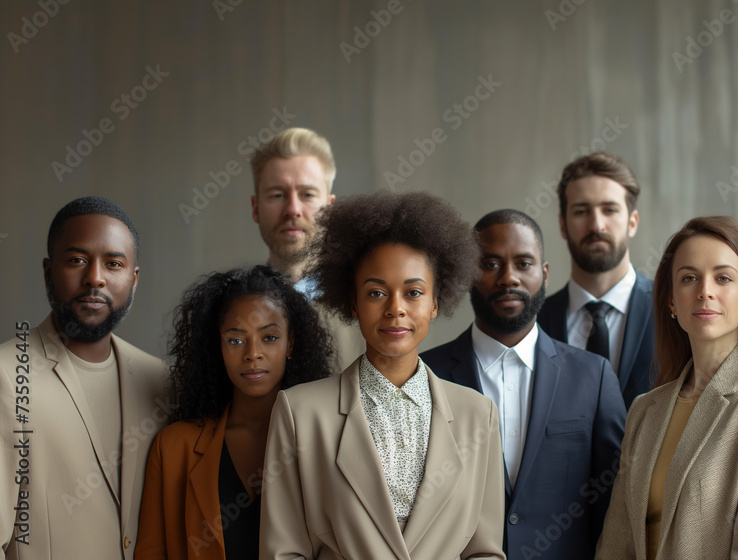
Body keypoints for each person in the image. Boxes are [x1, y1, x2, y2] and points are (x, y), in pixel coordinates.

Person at [260, 191, 505, 559]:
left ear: (435, 302)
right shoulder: (299, 413)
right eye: (376, 293)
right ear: (353, 303)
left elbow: (485, 552)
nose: (395, 309)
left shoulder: (478, 415)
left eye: (413, 292)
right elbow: (284, 552)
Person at [596, 216, 738, 559]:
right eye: (689, 278)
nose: (705, 291)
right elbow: (615, 547)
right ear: (671, 301)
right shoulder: (644, 411)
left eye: (723, 278)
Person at [422, 209, 626, 560]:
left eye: (524, 263)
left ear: (544, 274)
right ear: (468, 274)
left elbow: (616, 502)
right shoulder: (425, 376)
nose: (508, 278)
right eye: (490, 264)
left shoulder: (593, 377)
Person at [0, 196, 168, 559]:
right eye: (77, 260)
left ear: (134, 280)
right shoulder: (7, 376)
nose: (95, 277)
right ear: (48, 271)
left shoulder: (162, 382)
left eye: (114, 264)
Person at [134, 265, 333, 559]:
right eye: (236, 340)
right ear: (218, 347)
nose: (252, 354)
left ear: (290, 343)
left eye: (269, 337)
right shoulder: (174, 448)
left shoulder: (326, 441)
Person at [536, 152, 654, 409]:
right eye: (581, 211)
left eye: (609, 210)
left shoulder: (673, 311)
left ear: (632, 222)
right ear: (563, 225)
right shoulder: (535, 321)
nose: (597, 225)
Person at [250, 126, 364, 372]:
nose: (292, 209)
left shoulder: (369, 317)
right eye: (277, 195)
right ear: (255, 208)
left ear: (329, 208)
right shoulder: (227, 314)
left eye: (307, 194)